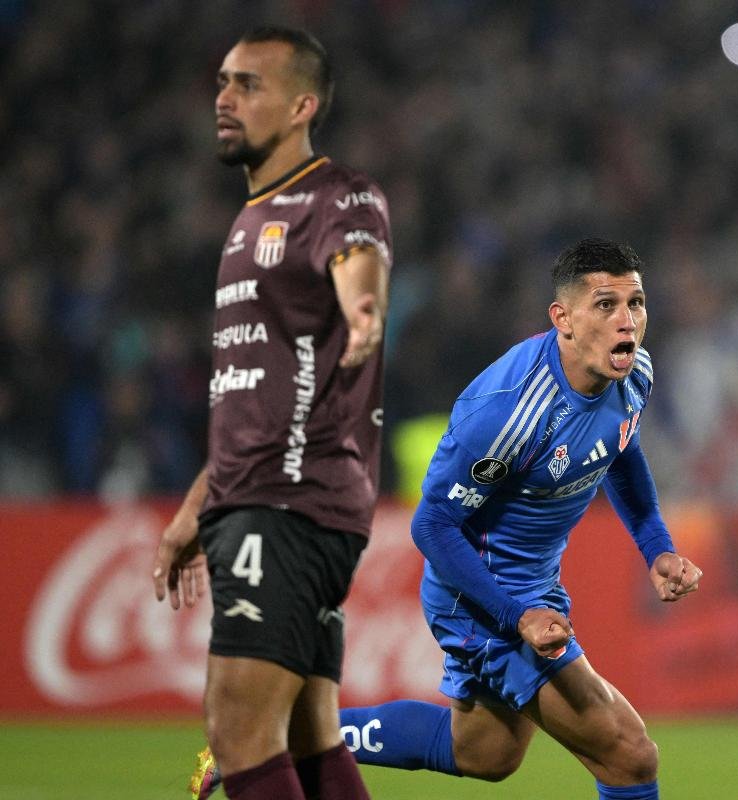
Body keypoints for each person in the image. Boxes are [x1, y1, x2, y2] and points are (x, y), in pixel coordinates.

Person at [193, 237, 698, 800]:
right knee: (629, 754)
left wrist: (657, 547)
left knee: (484, 752)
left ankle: (270, 739)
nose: (627, 321)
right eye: (606, 305)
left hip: (533, 587)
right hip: (481, 595)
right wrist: (514, 615)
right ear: (564, 319)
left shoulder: (634, 373)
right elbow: (430, 526)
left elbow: (619, 449)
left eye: (636, 302)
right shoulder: (506, 411)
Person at [150, 26, 391, 800]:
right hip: (262, 497)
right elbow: (249, 396)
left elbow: (361, 262)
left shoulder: (334, 193)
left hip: (289, 504)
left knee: (238, 729)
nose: (223, 98)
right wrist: (197, 505)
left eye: (247, 85)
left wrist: (363, 309)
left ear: (301, 105)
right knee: (307, 731)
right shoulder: (251, 219)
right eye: (222, 82)